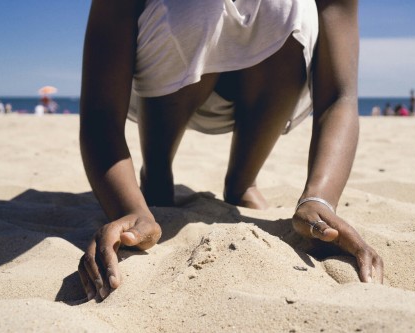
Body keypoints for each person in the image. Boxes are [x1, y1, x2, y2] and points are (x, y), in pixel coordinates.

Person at [78, 0, 384, 301]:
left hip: (265, 80)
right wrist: (130, 209)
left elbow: (339, 97)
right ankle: (156, 176)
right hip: (165, 80)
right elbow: (100, 111)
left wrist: (320, 199)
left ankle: (241, 180)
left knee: (285, 6)